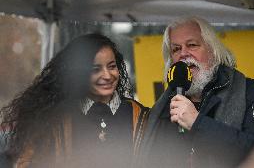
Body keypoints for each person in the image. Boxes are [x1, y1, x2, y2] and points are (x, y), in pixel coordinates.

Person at [139, 17, 254, 168]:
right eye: (176, 49)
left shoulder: (253, 93)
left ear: (213, 50)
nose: (183, 54)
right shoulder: (163, 107)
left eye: (192, 45)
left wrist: (197, 122)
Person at [0, 33, 149, 168]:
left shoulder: (139, 115)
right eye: (95, 69)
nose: (107, 75)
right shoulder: (56, 118)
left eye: (112, 66)